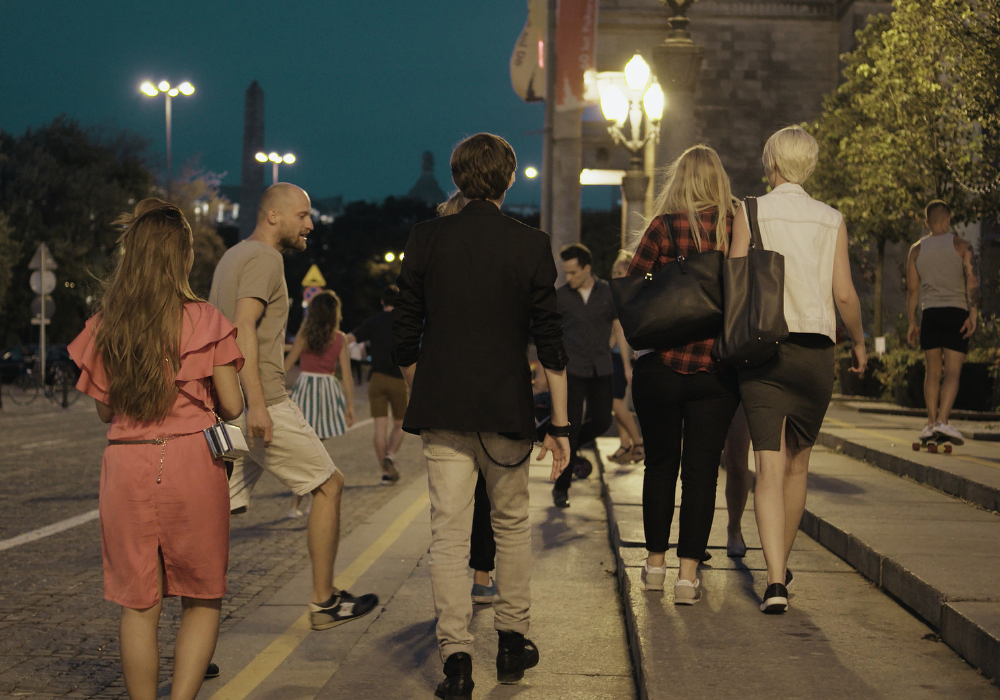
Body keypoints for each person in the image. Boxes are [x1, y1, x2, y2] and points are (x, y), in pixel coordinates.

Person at [393, 133, 570, 700]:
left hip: (444, 409)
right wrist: (561, 427)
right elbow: (551, 343)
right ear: (510, 178)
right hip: (506, 408)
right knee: (511, 524)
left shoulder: (425, 239)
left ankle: (457, 659)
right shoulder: (531, 245)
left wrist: (430, 389)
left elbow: (404, 336)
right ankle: (513, 641)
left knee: (448, 534)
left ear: (457, 177)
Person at [68, 199, 245, 700]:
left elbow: (105, 411)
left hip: (127, 462)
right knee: (202, 595)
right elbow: (232, 407)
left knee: (138, 603)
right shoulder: (206, 319)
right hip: (191, 460)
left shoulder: (108, 324)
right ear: (182, 257)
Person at [209, 182, 378, 630]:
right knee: (329, 484)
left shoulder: (231, 257)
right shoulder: (266, 258)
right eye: (302, 215)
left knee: (212, 514)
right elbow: (244, 328)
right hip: (258, 401)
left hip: (227, 404)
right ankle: (324, 603)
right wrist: (259, 406)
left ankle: (196, 630)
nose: (310, 224)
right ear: (273, 216)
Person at [730, 126, 866, 614]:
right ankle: (783, 564)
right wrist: (860, 343)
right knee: (797, 464)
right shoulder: (831, 219)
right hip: (815, 352)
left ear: (772, 163)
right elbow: (845, 293)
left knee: (766, 465)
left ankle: (773, 582)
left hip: (764, 349)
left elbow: (736, 280)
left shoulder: (750, 210)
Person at [627, 145, 742, 605]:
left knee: (659, 468)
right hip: (716, 368)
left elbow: (633, 285)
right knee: (701, 476)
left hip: (661, 368)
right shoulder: (735, 226)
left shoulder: (663, 225)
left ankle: (655, 566)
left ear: (679, 179)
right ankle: (687, 577)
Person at [437, 190, 498, 605]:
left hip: (445, 393)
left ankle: (452, 609)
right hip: (493, 392)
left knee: (449, 507)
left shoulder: (435, 263)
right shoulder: (500, 260)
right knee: (489, 497)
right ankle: (481, 574)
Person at [552, 243, 628, 508]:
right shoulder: (561, 297)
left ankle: (569, 449)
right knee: (569, 427)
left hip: (601, 368)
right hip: (571, 370)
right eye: (566, 273)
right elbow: (548, 335)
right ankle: (561, 488)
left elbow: (618, 328)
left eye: (573, 272)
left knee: (601, 421)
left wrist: (627, 365)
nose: (569, 278)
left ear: (587, 268)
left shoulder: (608, 292)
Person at [906, 200, 979, 445]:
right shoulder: (962, 246)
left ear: (926, 222)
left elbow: (912, 290)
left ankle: (929, 424)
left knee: (933, 372)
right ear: (948, 220)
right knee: (953, 372)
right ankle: (943, 423)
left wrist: (912, 322)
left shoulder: (916, 250)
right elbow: (972, 283)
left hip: (930, 315)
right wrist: (973, 315)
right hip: (956, 313)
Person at [284, 290, 355, 517]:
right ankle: (310, 500)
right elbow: (347, 375)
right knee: (318, 450)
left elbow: (287, 365)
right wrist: (350, 406)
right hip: (327, 392)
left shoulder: (305, 334)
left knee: (305, 449)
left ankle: (296, 503)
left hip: (305, 390)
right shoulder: (340, 338)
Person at [347, 286, 407, 484]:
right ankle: (391, 454)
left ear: (382, 302)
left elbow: (349, 339)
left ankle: (384, 472)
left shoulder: (373, 322)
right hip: (399, 378)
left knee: (379, 428)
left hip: (377, 379)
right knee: (400, 424)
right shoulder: (405, 321)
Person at [607, 251, 643, 465]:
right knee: (617, 402)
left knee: (616, 402)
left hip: (621, 357)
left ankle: (637, 443)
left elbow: (620, 330)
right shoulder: (621, 295)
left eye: (620, 272)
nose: (615, 275)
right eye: (613, 271)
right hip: (616, 355)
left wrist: (627, 365)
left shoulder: (627, 297)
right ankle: (625, 445)